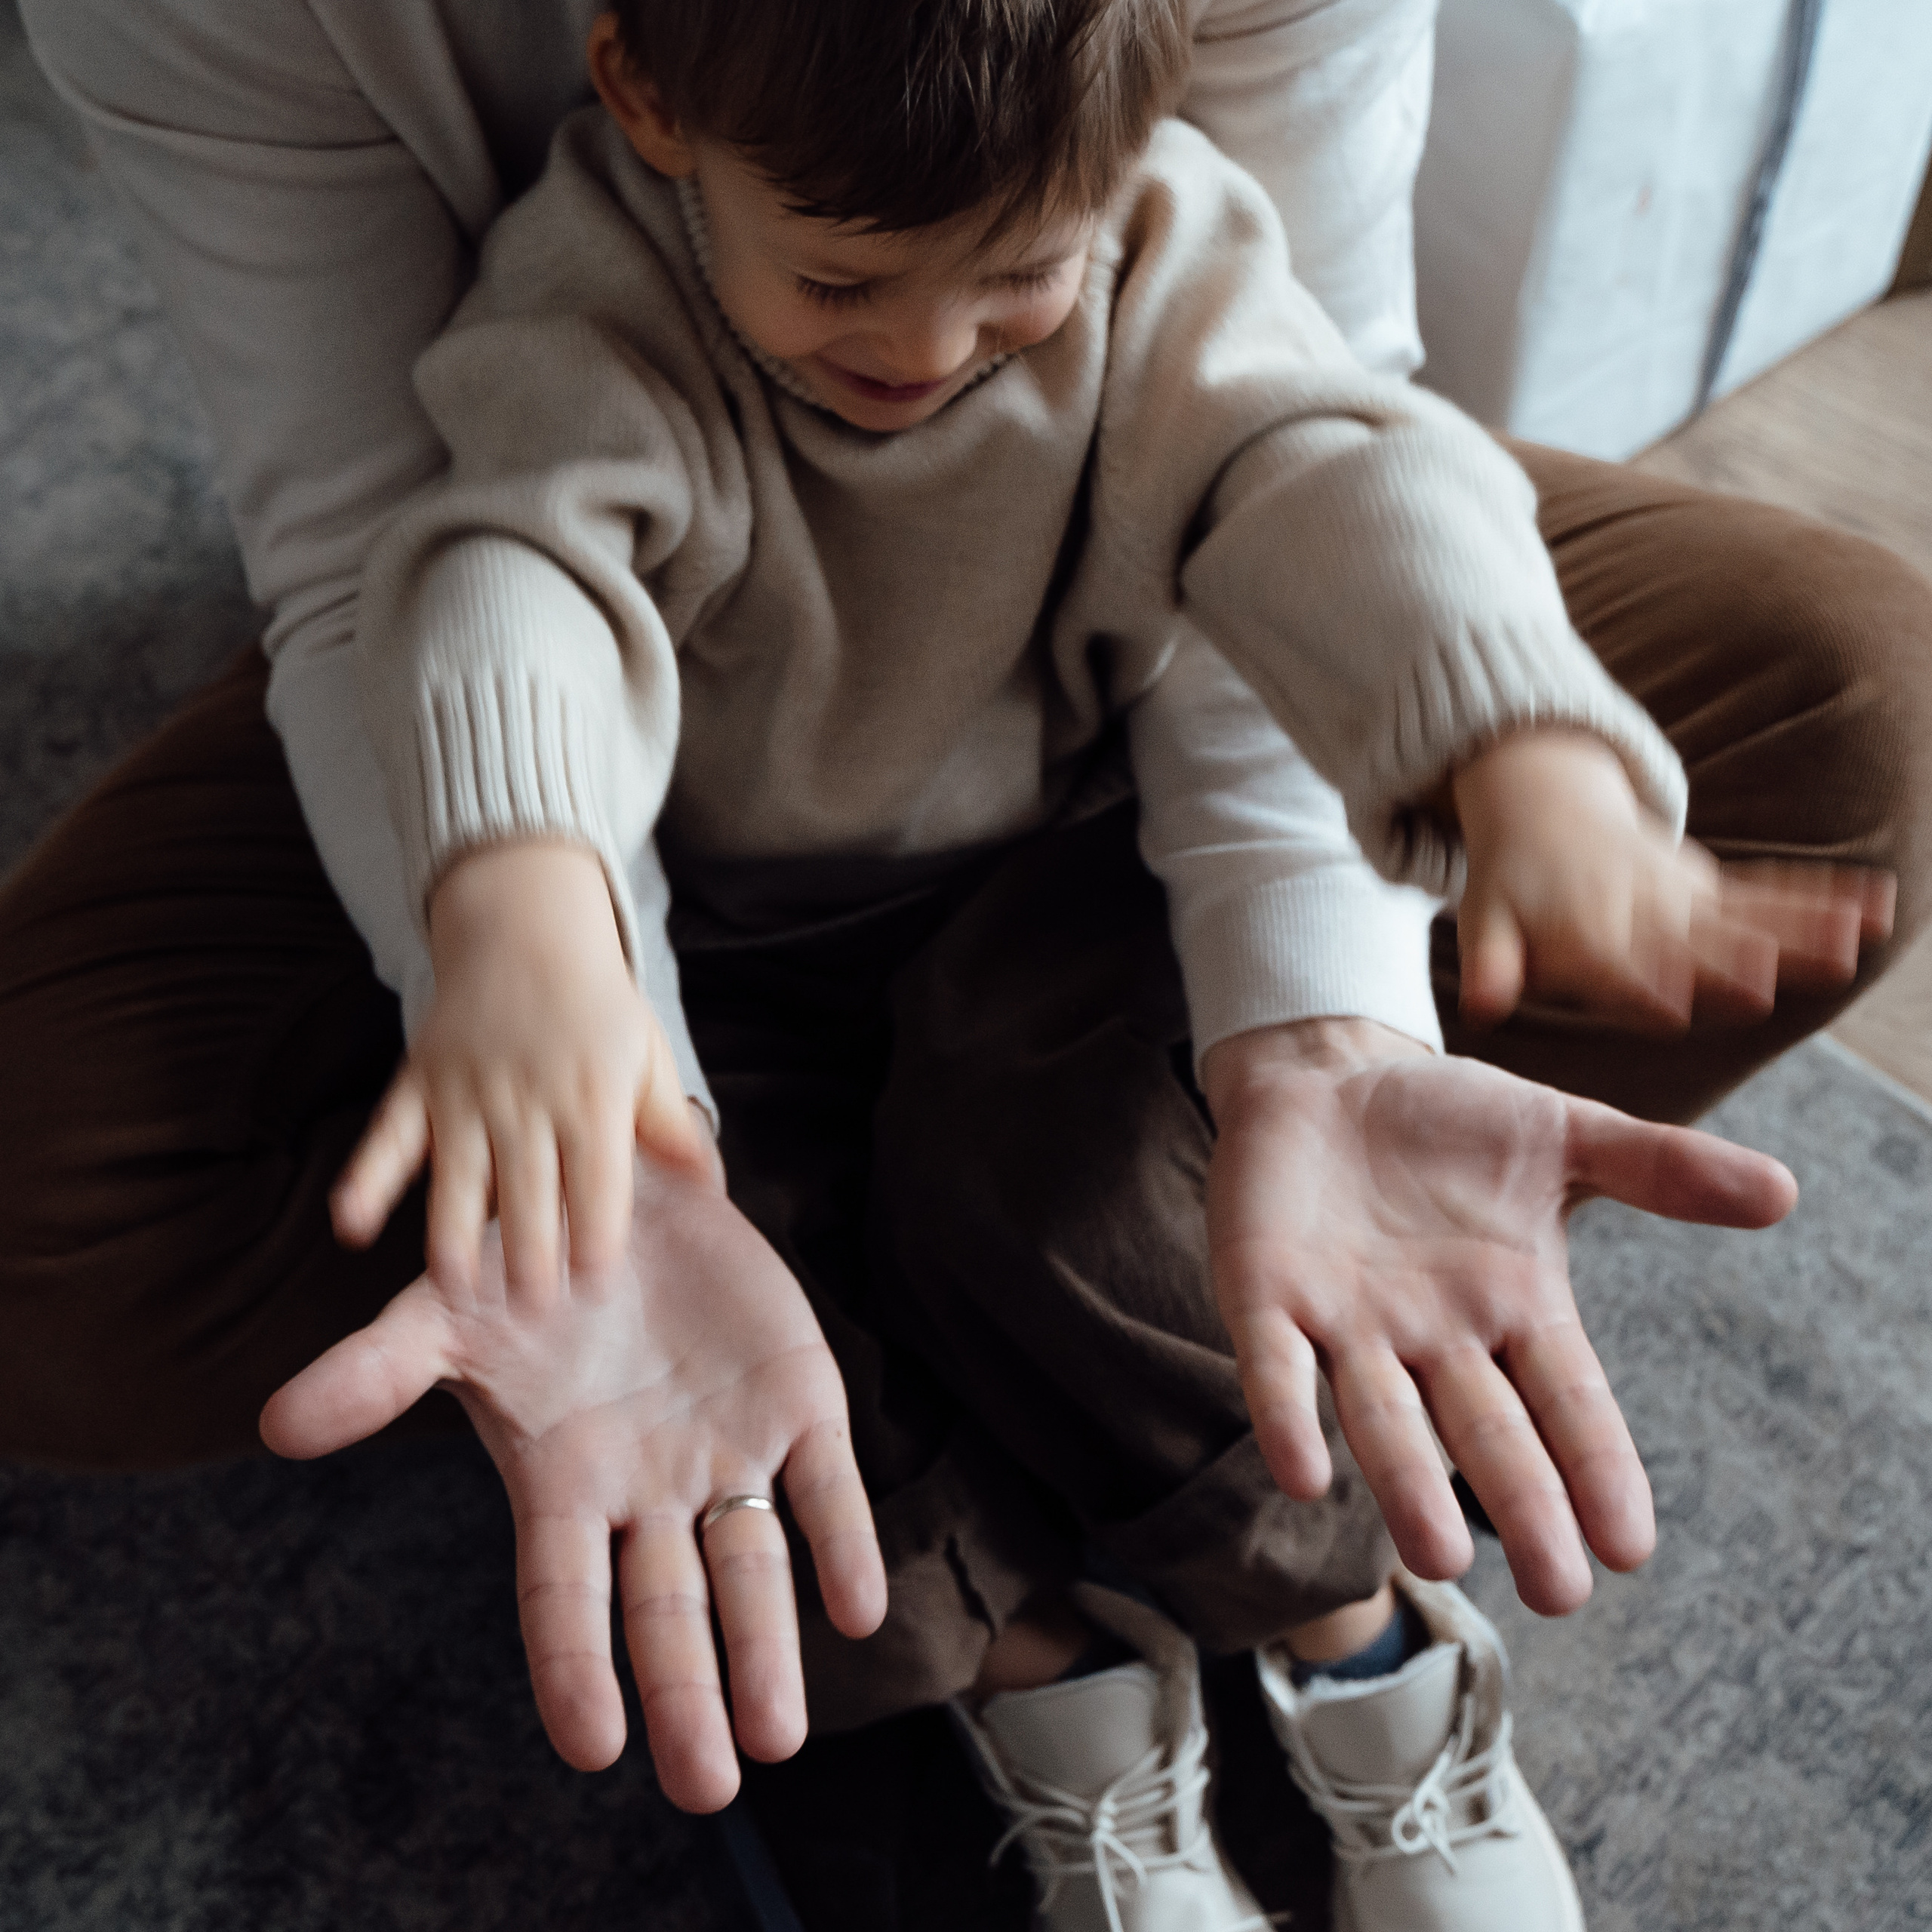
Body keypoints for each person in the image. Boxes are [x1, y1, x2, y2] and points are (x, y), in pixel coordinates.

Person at [4, 2, 1927, 1929]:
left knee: (1101, 1214)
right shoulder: (595, 293)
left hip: (1059, 859)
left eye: (1014, 279)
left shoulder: (1160, 237)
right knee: (733, 1305)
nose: (919, 356)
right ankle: (1039, 1677)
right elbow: (490, 573)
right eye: (843, 278)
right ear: (648, 96)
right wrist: (519, 910)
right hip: (704, 931)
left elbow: (1324, 452)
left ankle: (1345, 1632)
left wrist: (1524, 757)